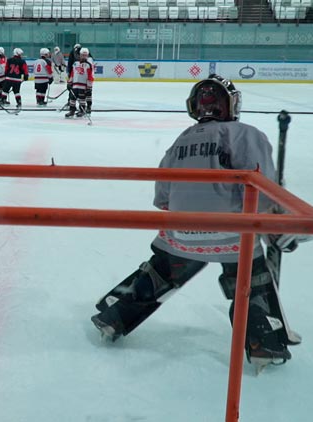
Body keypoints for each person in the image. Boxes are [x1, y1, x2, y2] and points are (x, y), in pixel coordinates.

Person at [90, 74, 302, 367]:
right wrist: (276, 226)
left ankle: (116, 316)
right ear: (230, 105)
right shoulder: (246, 133)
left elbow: (162, 196)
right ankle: (264, 342)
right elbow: (262, 188)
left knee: (164, 269)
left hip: (181, 233)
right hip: (232, 234)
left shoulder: (182, 140)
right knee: (251, 280)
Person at [65, 48, 93, 118]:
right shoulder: (75, 64)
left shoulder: (88, 65)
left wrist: (89, 87)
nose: (84, 57)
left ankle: (82, 110)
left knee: (82, 99)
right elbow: (72, 74)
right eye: (82, 55)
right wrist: (69, 82)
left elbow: (90, 77)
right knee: (72, 98)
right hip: (75, 85)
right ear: (80, 55)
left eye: (85, 55)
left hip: (83, 85)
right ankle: (72, 110)